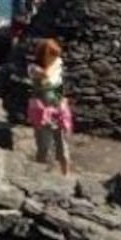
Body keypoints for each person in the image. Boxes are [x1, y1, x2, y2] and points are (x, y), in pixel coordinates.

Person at [27, 38, 73, 176]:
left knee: (63, 147)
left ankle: (66, 174)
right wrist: (52, 67)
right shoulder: (33, 68)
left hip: (58, 110)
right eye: (51, 56)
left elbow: (58, 87)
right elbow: (44, 75)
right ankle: (39, 175)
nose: (55, 59)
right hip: (42, 112)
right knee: (44, 147)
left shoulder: (57, 66)